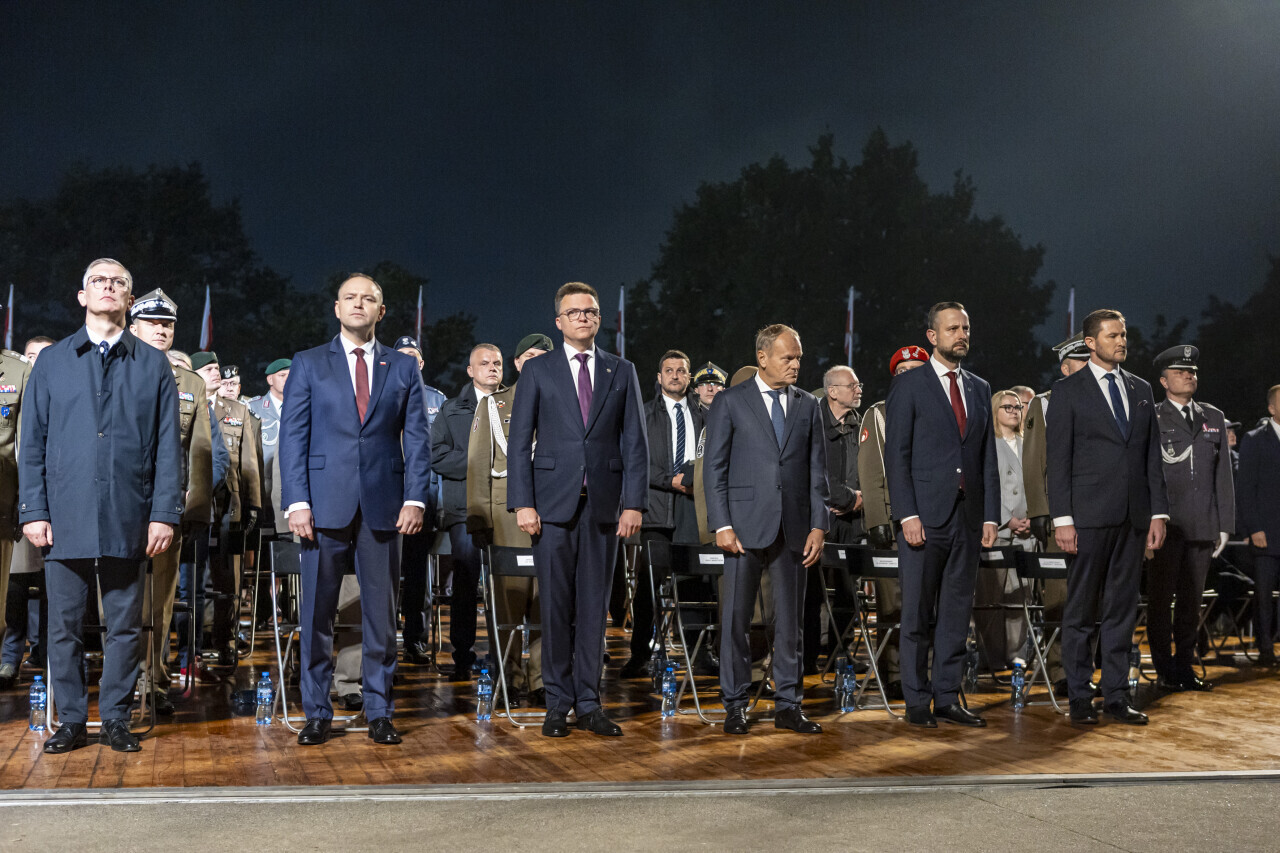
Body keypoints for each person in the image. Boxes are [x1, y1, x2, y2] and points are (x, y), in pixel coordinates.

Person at [19, 258, 183, 753]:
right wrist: (33, 510)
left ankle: (115, 716)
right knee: (63, 626)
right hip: (63, 512)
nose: (108, 288)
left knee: (125, 626)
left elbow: (168, 448)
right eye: (98, 281)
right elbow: (32, 442)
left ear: (129, 299)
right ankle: (70, 719)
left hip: (129, 512)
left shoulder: (152, 364)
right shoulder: (52, 362)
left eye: (118, 283)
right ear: (82, 295)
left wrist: (164, 513)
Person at [280, 273, 431, 746]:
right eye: (350, 297)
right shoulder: (308, 363)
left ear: (381, 312)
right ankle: (317, 712)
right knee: (317, 614)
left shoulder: (402, 367)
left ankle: (379, 709)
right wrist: (297, 501)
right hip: (322, 505)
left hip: (385, 505)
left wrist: (415, 497)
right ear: (337, 308)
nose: (359, 304)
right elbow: (293, 437)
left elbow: (418, 439)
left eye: (369, 299)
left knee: (381, 616)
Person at [507, 281, 647, 738]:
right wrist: (523, 502)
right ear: (558, 321)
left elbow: (635, 443)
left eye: (590, 311)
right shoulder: (537, 370)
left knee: (594, 610)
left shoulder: (621, 370)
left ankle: (589, 702)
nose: (583, 317)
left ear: (599, 318)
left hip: (604, 508)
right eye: (574, 312)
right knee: (554, 608)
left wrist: (634, 503)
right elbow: (519, 441)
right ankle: (556, 702)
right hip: (550, 508)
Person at [705, 324, 828, 736]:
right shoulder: (730, 401)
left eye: (798, 358)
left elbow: (817, 472)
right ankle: (735, 703)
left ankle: (789, 705)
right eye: (787, 358)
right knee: (736, 620)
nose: (795, 365)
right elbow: (714, 468)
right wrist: (721, 524)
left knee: (791, 623)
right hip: (740, 528)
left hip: (794, 529)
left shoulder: (808, 404)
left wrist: (819, 524)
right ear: (762, 357)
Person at [1048, 308, 1168, 726]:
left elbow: (1151, 456)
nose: (1122, 341)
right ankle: (1080, 696)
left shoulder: (1141, 388)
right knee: (1081, 610)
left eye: (1123, 334)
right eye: (1113, 335)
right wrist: (1062, 519)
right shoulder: (1068, 390)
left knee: (1122, 608)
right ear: (1090, 342)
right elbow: (1058, 461)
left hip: (1134, 517)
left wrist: (1158, 513)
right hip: (1087, 517)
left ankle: (1117, 695)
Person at [884, 302, 999, 729]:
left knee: (955, 612)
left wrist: (990, 516)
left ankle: (947, 697)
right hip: (924, 518)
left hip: (967, 518)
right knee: (916, 612)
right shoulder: (909, 385)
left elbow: (986, 457)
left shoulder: (980, 388)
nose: (961, 335)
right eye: (952, 328)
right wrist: (906, 514)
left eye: (965, 328)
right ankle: (916, 699)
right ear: (932, 336)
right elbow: (896, 456)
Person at [126, 289, 215, 714]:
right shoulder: (112, 368)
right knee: (118, 601)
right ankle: (122, 679)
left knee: (160, 601)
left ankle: (153, 679)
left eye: (168, 325)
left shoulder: (190, 383)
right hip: (117, 504)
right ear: (133, 327)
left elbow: (200, 451)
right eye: (152, 323)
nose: (161, 330)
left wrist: (194, 511)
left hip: (166, 509)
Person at [466, 332, 552, 702]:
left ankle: (542, 679)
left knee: (548, 598)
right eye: (528, 356)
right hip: (505, 514)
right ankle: (510, 675)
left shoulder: (563, 401)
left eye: (542, 357)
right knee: (509, 599)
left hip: (554, 511)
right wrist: (478, 519)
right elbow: (478, 464)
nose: (535, 363)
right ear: (517, 363)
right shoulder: (494, 405)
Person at [1147, 345, 1234, 691]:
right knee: (1159, 602)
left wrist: (1225, 523)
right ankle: (1164, 669)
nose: (1189, 375)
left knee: (1191, 603)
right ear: (1163, 381)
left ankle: (1184, 666)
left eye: (1193, 371)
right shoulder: (1152, 417)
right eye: (1181, 371)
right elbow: (1145, 473)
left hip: (1201, 525)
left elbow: (1223, 476)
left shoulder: (1213, 416)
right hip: (1166, 526)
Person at [622, 349, 705, 679]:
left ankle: (699, 653)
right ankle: (639, 654)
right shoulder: (643, 414)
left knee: (694, 583)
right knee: (648, 586)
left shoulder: (705, 415)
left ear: (689, 377)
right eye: (668, 370)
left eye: (681, 370)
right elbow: (634, 462)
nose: (675, 375)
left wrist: (694, 479)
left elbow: (713, 458)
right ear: (659, 377)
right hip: (656, 509)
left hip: (693, 509)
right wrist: (670, 480)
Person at [856, 345, 930, 699]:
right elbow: (871, 470)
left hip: (934, 519)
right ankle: (896, 673)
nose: (909, 376)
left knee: (929, 600)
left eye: (916, 370)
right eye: (903, 372)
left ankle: (926, 670)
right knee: (894, 604)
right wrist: (876, 519)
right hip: (893, 521)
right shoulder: (879, 413)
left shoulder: (940, 410)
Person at [1020, 332, 1091, 696]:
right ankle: (1061, 670)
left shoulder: (1106, 397)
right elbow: (1033, 459)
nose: (1089, 368)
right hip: (1060, 514)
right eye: (1082, 362)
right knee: (1060, 597)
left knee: (1093, 595)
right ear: (1065, 368)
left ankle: (1088, 667)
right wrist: (1039, 509)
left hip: (1097, 512)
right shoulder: (1045, 403)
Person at [431, 343, 503, 680]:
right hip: (464, 509)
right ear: (470, 371)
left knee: (507, 583)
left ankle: (504, 657)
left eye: (497, 362)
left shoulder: (515, 402)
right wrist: (479, 461)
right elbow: (437, 455)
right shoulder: (451, 409)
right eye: (484, 363)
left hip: (507, 508)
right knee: (465, 582)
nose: (492, 367)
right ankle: (462, 657)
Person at [191, 350, 262, 670]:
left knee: (228, 577)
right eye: (209, 368)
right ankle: (195, 640)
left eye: (217, 367)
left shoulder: (237, 410)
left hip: (228, 506)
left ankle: (226, 640)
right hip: (192, 505)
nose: (216, 372)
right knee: (193, 576)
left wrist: (253, 504)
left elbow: (249, 462)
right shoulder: (185, 405)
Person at [391, 336, 445, 667]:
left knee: (416, 573)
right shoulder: (380, 392)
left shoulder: (437, 399)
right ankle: (383, 642)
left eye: (414, 355)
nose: (409, 360)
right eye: (402, 355)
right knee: (383, 573)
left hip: (422, 499)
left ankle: (415, 639)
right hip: (386, 497)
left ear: (421, 363)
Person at [973, 389, 1034, 671]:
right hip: (996, 533)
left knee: (1021, 597)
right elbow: (983, 487)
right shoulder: (987, 445)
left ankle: (1016, 654)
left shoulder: (1029, 443)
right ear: (994, 410)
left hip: (1027, 533)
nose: (1014, 411)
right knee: (992, 597)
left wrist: (1032, 518)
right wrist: (1006, 520)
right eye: (1007, 407)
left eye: (1018, 407)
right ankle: (992, 656)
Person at [809, 364, 863, 673]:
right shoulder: (812, 420)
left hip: (851, 521)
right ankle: (808, 656)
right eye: (852, 385)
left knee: (847, 592)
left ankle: (840, 653)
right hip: (819, 518)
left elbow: (867, 468)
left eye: (858, 385)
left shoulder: (859, 424)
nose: (858, 390)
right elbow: (814, 470)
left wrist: (857, 500)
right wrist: (845, 497)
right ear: (832, 391)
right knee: (811, 593)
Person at [1236, 385, 1280, 666]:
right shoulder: (1254, 440)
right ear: (1271, 408)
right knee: (1264, 594)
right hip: (1266, 532)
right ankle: (1265, 648)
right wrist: (1253, 528)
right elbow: (1245, 489)